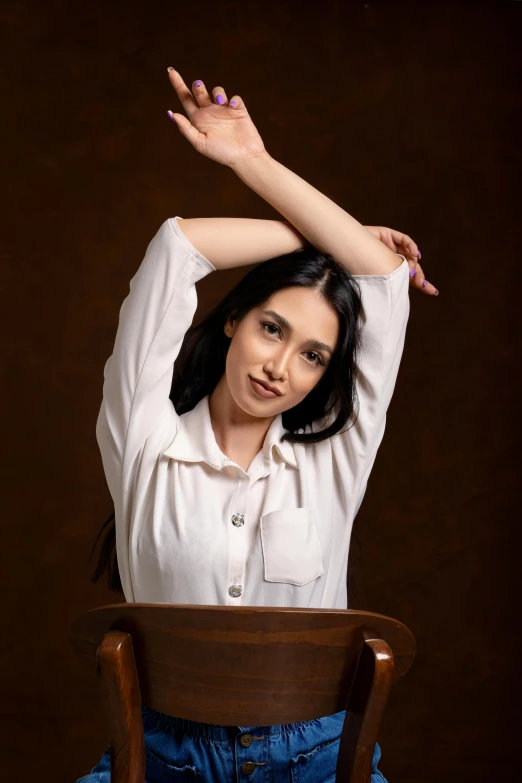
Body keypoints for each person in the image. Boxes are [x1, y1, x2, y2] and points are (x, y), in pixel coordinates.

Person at [79, 67, 438, 783]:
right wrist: (317, 241)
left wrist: (255, 163)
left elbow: (383, 277)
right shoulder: (145, 440)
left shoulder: (334, 459)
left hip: (316, 755)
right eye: (272, 328)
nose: (281, 365)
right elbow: (177, 247)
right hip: (165, 756)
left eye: (312, 355)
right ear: (236, 318)